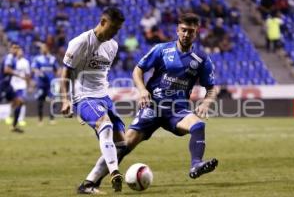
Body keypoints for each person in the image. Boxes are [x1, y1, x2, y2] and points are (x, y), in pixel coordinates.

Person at [83, 12, 219, 191]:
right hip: (153, 106)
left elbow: (211, 88)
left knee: (198, 126)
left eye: (191, 31)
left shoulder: (201, 59)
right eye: (184, 30)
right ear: (177, 30)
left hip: (177, 110)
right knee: (124, 144)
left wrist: (206, 103)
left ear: (196, 32)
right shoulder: (161, 49)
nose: (186, 34)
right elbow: (138, 70)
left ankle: (196, 164)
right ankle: (90, 182)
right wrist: (142, 91)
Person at [60, 7, 125, 194]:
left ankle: (88, 184)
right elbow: (65, 72)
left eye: (118, 30)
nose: (114, 33)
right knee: (105, 125)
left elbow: (101, 74)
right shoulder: (80, 42)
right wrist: (66, 100)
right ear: (103, 22)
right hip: (84, 97)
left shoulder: (113, 46)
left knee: (122, 144)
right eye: (113, 28)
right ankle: (115, 172)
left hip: (104, 97)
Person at [0, 43, 25, 133]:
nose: (16, 50)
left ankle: (14, 126)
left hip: (7, 86)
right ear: (10, 49)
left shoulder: (13, 59)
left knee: (19, 102)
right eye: (14, 48)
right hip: (2, 85)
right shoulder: (10, 57)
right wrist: (18, 75)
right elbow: (6, 70)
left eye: (17, 48)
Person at [32, 44, 59, 125]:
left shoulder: (52, 58)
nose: (42, 49)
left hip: (51, 83)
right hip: (41, 83)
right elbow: (33, 68)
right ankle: (40, 119)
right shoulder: (37, 59)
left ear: (47, 49)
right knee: (40, 101)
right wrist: (38, 72)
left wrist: (57, 77)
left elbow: (57, 69)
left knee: (53, 100)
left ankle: (52, 118)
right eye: (41, 48)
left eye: (44, 48)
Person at [6, 48, 31, 126]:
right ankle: (9, 116)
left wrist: (28, 85)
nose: (20, 52)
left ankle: (21, 119)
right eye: (19, 51)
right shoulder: (12, 61)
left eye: (21, 51)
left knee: (22, 102)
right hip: (13, 84)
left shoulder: (26, 62)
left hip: (22, 85)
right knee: (13, 102)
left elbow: (28, 74)